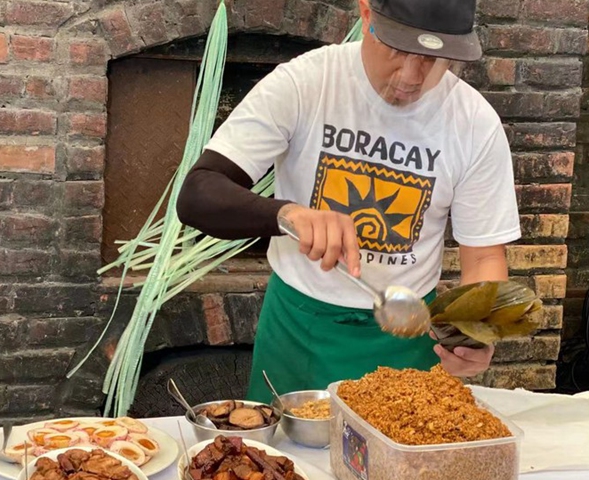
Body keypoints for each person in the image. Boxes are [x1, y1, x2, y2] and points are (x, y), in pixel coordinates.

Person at [176, 0, 521, 403]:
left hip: (408, 336)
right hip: (298, 329)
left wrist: (476, 333)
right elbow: (198, 193)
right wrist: (287, 215)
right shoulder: (306, 82)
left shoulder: (475, 122)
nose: (412, 76)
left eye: (434, 58)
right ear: (366, 14)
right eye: (398, 48)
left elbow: (484, 256)